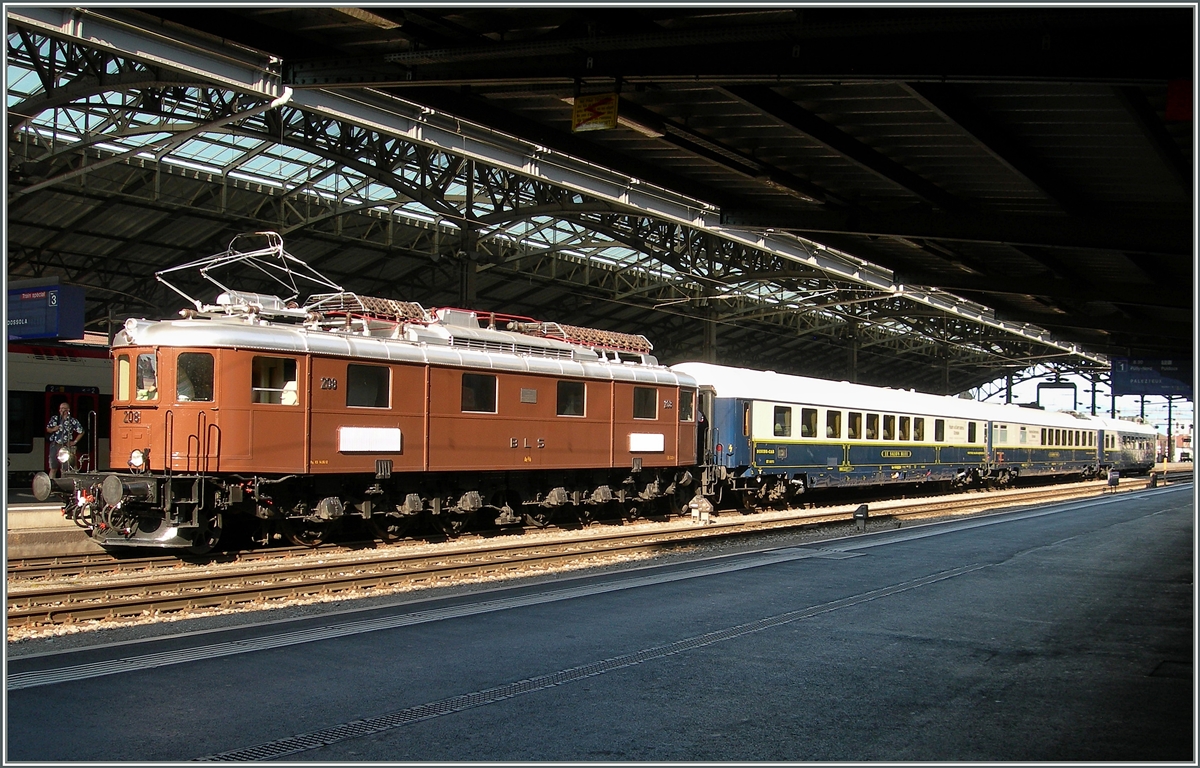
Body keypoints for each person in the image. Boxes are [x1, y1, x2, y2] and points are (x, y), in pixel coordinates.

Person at [46, 402, 84, 478]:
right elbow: (48, 429)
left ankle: (63, 485)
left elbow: (81, 431)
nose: (61, 410)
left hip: (66, 446)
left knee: (65, 468)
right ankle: (51, 485)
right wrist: (54, 429)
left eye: (63, 408)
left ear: (68, 410)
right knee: (53, 468)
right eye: (60, 409)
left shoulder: (72, 421)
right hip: (55, 445)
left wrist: (75, 442)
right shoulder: (55, 419)